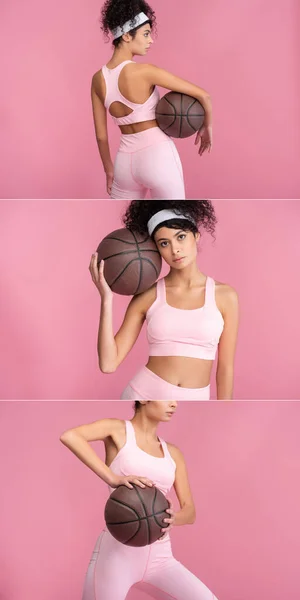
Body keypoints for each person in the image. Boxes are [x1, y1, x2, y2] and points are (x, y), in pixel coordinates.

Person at [60, 400, 219, 599]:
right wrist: (112, 478)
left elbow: (190, 512)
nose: (174, 404)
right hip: (117, 556)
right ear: (143, 398)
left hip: (160, 557)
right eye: (167, 398)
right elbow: (70, 436)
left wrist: (171, 518)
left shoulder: (173, 453)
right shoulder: (117, 429)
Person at [89, 200, 239, 400]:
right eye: (164, 243)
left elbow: (225, 369)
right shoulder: (148, 295)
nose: (175, 249)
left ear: (196, 235)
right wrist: (106, 299)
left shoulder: (225, 296)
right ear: (156, 249)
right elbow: (108, 364)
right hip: (143, 396)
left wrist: (224, 412)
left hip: (197, 400)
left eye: (181, 237)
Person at [91, 0, 212, 199]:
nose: (151, 40)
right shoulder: (145, 71)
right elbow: (204, 95)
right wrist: (208, 126)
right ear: (127, 35)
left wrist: (109, 171)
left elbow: (101, 137)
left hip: (124, 162)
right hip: (158, 154)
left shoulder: (98, 80)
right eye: (146, 34)